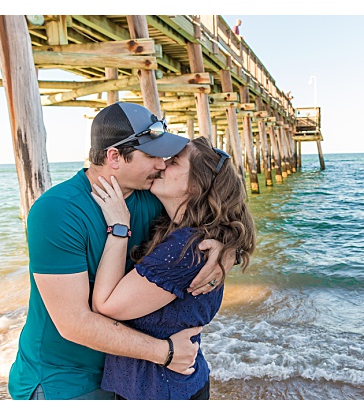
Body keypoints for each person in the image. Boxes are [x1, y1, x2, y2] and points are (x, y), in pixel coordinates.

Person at [7, 102, 236, 400]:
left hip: (128, 373)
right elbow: (74, 323)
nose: (162, 164)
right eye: (152, 155)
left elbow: (211, 214)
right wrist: (165, 353)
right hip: (66, 379)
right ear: (114, 156)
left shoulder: (153, 197)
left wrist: (226, 249)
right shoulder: (57, 211)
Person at [90, 137, 256, 399]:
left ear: (195, 186)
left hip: (160, 391)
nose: (162, 164)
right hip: (178, 383)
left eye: (174, 162)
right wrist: (230, 249)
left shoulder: (188, 249)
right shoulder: (199, 237)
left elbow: (106, 305)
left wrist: (119, 228)